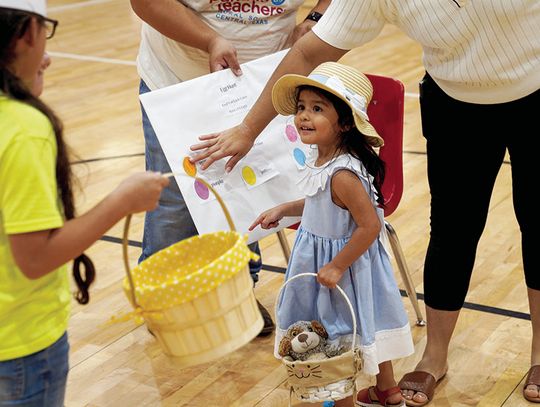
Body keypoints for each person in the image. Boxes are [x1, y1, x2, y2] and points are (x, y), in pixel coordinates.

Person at [190, 1, 540, 405]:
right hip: (454, 103)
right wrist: (249, 129)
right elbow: (308, 53)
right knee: (452, 229)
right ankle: (434, 356)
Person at [0, 2, 168, 405]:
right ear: (27, 33)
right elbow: (36, 257)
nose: (49, 56)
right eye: (45, 32)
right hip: (20, 343)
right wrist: (121, 201)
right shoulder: (22, 129)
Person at [130, 0, 330, 337]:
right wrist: (209, 40)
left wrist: (315, 18)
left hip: (259, 83)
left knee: (241, 190)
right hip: (177, 79)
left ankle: (236, 295)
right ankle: (166, 302)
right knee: (176, 199)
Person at [249, 62, 414, 407]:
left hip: (345, 265)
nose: (304, 117)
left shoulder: (343, 174)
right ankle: (387, 388)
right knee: (367, 323)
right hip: (331, 259)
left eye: (318, 109)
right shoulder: (324, 159)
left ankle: (342, 400)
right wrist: (284, 209)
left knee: (340, 336)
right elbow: (319, 201)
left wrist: (338, 266)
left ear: (343, 123)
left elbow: (369, 226)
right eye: (302, 108)